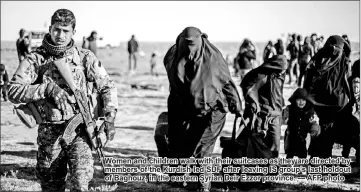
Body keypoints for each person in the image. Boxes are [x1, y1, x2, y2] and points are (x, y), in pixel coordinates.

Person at [7, 9, 118, 191]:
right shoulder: (37, 59)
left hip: (81, 132)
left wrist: (110, 118)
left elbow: (107, 86)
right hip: (50, 134)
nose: (60, 35)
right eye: (57, 29)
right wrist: (46, 88)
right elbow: (13, 91)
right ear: (50, 29)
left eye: (66, 31)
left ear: (74, 32)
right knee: (51, 185)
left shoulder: (85, 57)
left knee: (80, 183)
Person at [164, 26, 242, 192]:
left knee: (203, 148)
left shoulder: (213, 59)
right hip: (188, 110)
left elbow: (226, 82)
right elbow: (175, 88)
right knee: (182, 144)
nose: (190, 48)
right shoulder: (173, 56)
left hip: (214, 110)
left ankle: (203, 186)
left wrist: (237, 105)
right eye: (186, 44)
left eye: (193, 44)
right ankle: (184, 179)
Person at [303, 35, 352, 158]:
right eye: (332, 48)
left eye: (337, 49)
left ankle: (323, 160)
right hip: (319, 104)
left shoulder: (343, 62)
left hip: (335, 106)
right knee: (319, 132)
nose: (334, 52)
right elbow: (308, 83)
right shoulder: (318, 61)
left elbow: (348, 83)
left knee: (328, 133)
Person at [240, 55, 288, 158]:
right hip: (261, 115)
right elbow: (247, 87)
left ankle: (273, 168)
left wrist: (282, 105)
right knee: (259, 143)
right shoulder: (260, 75)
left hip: (276, 114)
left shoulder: (280, 75)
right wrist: (254, 103)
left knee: (275, 144)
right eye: (281, 69)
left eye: (284, 70)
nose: (283, 72)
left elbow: (278, 92)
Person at [282, 88, 320, 158]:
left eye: (303, 100)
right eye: (298, 100)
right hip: (291, 137)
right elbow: (282, 117)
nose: (301, 102)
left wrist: (314, 130)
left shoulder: (309, 111)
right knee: (290, 153)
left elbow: (314, 122)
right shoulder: (289, 109)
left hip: (304, 138)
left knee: (302, 154)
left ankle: (302, 166)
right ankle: (287, 166)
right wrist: (283, 119)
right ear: (294, 100)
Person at [341, 59, 360, 165]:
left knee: (348, 137)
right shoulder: (355, 80)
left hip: (350, 110)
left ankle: (345, 158)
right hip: (354, 112)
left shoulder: (351, 79)